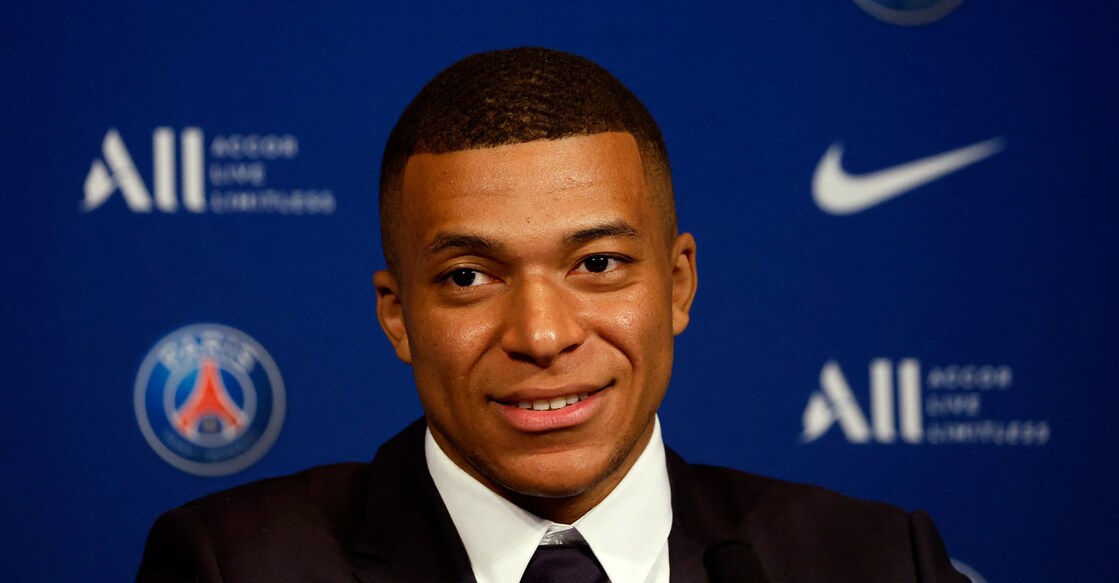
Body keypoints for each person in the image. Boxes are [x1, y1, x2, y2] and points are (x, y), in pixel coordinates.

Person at [137, 47, 967, 583]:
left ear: (677, 284)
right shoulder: (233, 565)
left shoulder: (878, 560)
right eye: (468, 276)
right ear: (397, 316)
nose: (541, 335)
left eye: (597, 265)